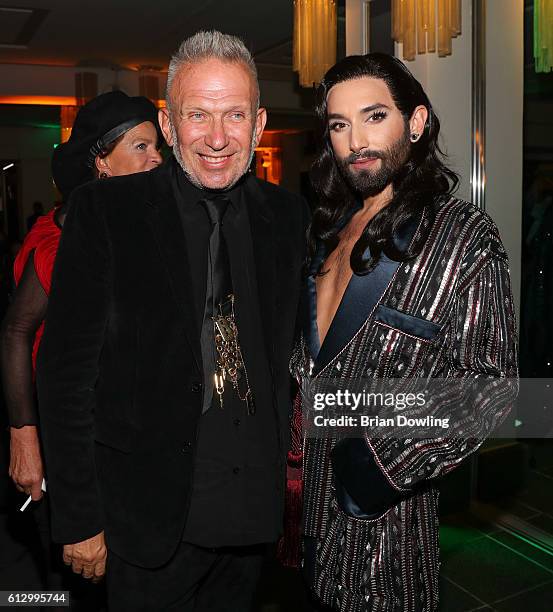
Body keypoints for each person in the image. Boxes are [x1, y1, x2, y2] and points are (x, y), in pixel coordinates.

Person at [36, 30, 308, 611]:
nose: (216, 138)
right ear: (167, 123)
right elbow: (65, 378)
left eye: (234, 115)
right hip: (148, 521)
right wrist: (79, 518)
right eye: (198, 115)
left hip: (253, 517)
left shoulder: (287, 216)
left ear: (259, 125)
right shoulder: (107, 213)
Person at [289, 53, 518, 611]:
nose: (355, 141)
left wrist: (375, 467)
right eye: (340, 125)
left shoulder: (462, 236)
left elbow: (490, 386)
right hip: (305, 520)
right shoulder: (327, 230)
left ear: (415, 123)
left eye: (374, 117)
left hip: (386, 537)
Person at [1, 91, 162, 594]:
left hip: (118, 428)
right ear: (101, 163)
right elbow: (15, 332)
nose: (157, 158)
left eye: (158, 147)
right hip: (67, 430)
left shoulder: (134, 222)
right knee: (75, 576)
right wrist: (24, 439)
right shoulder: (67, 239)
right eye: (141, 147)